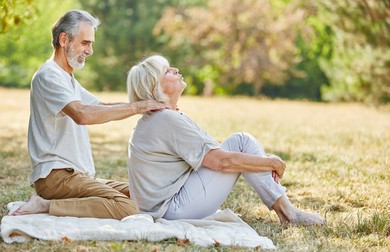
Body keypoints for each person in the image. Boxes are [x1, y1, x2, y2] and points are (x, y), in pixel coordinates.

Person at [126, 54, 326, 226]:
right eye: (167, 71)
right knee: (241, 141)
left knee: (241, 144)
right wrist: (270, 163)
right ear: (155, 87)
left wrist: (262, 162)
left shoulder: (161, 117)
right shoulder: (166, 119)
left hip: (166, 207)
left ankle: (287, 212)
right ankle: (289, 213)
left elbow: (213, 152)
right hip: (170, 211)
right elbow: (222, 162)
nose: (176, 69)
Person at [11, 10, 166, 220]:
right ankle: (46, 205)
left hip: (77, 176)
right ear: (64, 39)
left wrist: (145, 105)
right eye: (85, 43)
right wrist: (139, 107)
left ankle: (58, 203)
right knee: (126, 207)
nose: (90, 51)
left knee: (139, 195)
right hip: (56, 178)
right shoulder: (48, 76)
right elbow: (82, 114)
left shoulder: (68, 79)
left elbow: (102, 106)